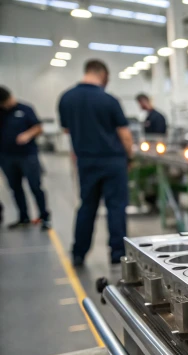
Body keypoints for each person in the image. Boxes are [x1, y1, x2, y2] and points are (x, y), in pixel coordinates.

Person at [58, 59, 133, 266]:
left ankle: (78, 253)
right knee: (116, 207)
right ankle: (117, 254)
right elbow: (124, 134)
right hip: (113, 161)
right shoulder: (109, 100)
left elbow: (66, 129)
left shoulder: (66, 98)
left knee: (87, 206)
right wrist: (130, 157)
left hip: (86, 161)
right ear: (103, 74)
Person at [0, 86, 51, 230]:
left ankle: (44, 217)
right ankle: (23, 217)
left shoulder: (25, 109)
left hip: (27, 155)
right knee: (15, 188)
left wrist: (27, 135)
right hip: (6, 157)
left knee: (35, 186)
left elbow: (38, 127)